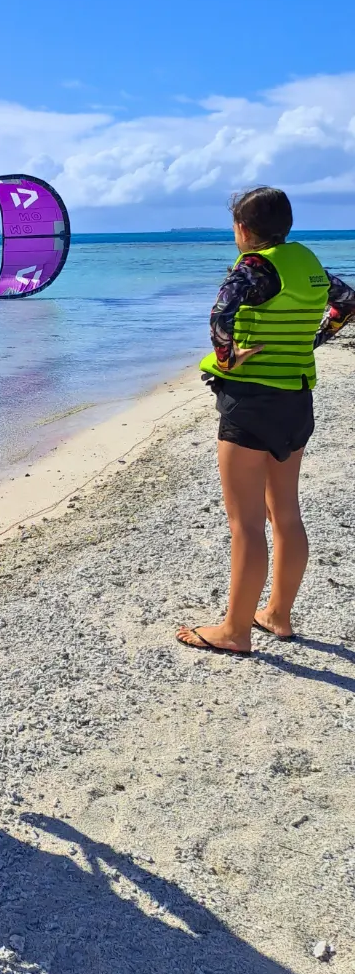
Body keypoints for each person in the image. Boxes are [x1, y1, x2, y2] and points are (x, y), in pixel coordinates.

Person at [177, 188, 355, 655]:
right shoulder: (308, 263)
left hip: (252, 403)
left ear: (243, 229)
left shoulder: (254, 267)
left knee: (246, 524)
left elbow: (220, 315)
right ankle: (277, 614)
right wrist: (316, 340)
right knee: (286, 514)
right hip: (296, 399)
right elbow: (347, 301)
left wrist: (227, 357)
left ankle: (234, 631)